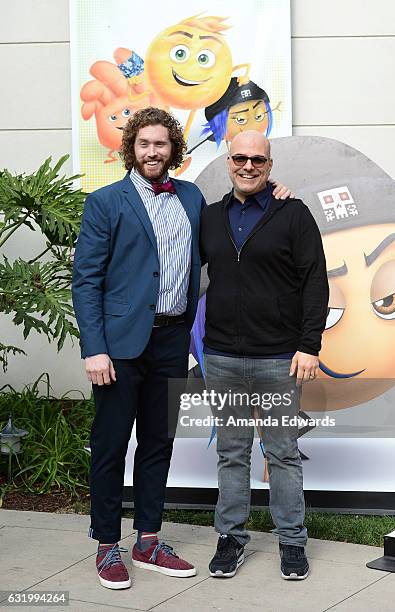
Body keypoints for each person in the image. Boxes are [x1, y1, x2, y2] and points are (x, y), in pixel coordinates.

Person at [72, 108, 292, 590]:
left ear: (174, 149)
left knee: (158, 442)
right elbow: (85, 280)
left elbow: (237, 215)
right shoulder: (106, 202)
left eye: (162, 144)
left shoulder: (191, 197)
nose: (153, 152)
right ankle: (107, 543)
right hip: (120, 345)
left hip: (172, 338)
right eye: (144, 144)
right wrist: (95, 348)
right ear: (131, 148)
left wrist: (275, 198)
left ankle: (148, 539)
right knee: (111, 443)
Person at [200, 130, 329, 580]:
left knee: (282, 453)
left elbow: (315, 281)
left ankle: (292, 542)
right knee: (232, 452)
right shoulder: (210, 217)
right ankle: (231, 538)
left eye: (258, 159)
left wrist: (309, 345)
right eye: (240, 158)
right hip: (222, 358)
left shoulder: (293, 214)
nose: (248, 166)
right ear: (228, 162)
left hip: (278, 359)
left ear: (270, 166)